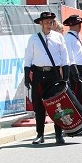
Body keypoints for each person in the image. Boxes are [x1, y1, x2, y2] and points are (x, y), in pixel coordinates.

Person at [24, 11, 70, 145]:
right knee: (38, 105)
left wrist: (65, 76)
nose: (49, 25)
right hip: (38, 73)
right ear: (41, 23)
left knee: (57, 103)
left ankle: (58, 134)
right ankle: (40, 134)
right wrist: (27, 77)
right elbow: (28, 58)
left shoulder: (58, 37)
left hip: (54, 74)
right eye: (46, 22)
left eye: (51, 22)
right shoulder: (33, 38)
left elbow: (64, 56)